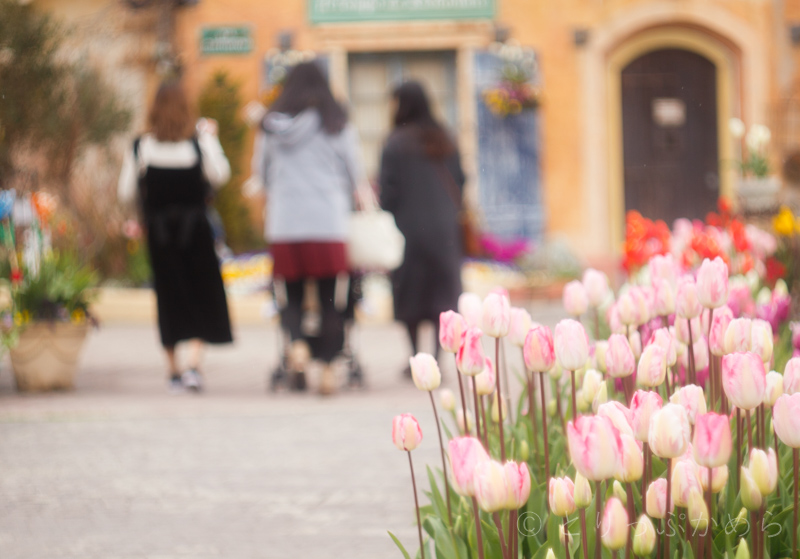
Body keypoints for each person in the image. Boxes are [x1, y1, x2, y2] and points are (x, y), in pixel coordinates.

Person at [248, 61, 363, 395]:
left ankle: (297, 344)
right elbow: (355, 174)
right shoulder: (338, 124)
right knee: (331, 299)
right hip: (328, 223)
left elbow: (262, 174)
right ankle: (327, 367)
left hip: (285, 224)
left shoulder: (271, 128)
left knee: (291, 295)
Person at [118, 80, 233, 392]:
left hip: (159, 234)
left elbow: (125, 190)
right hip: (195, 232)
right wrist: (212, 138)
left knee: (168, 297)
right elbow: (220, 175)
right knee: (201, 293)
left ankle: (173, 369)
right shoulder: (198, 143)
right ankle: (194, 365)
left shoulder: (140, 147)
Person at [379, 81, 465, 376]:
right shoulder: (444, 138)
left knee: (411, 294)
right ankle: (438, 358)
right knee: (442, 296)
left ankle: (416, 357)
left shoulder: (395, 142)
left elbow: (387, 193)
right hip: (444, 230)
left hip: (408, 231)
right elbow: (462, 180)